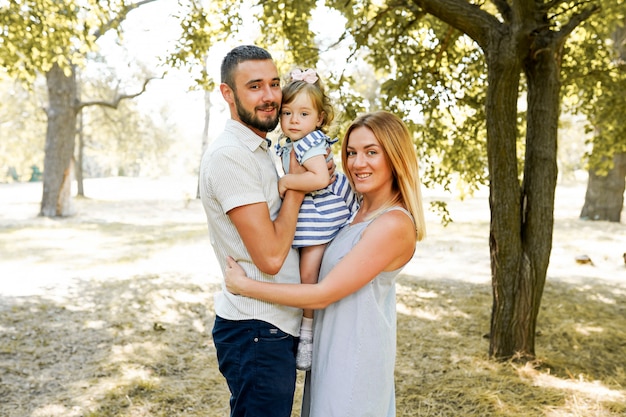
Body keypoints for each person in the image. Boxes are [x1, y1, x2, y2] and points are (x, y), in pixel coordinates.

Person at [224, 110, 427, 416]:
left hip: (355, 361)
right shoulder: (354, 207)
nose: (358, 163)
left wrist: (246, 286)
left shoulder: (393, 224)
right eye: (351, 152)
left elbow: (323, 293)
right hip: (330, 353)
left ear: (395, 157)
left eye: (372, 152)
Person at [199, 45, 334, 417]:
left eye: (274, 84)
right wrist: (298, 186)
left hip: (271, 326)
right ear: (228, 94)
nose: (270, 96)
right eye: (255, 86)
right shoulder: (231, 156)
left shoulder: (262, 148)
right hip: (255, 328)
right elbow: (271, 258)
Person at [275, 67, 357, 371]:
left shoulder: (310, 142)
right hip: (309, 213)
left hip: (323, 213)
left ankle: (306, 333)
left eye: (304, 113)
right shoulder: (290, 143)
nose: (294, 120)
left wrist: (286, 183)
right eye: (287, 113)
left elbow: (321, 178)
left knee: (308, 273)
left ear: (319, 118)